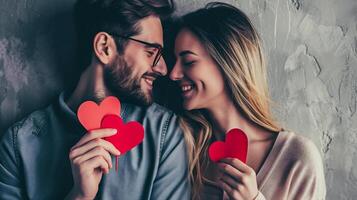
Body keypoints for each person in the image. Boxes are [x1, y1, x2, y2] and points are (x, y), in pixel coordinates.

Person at [0, 0, 190, 199]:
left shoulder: (163, 133)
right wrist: (79, 196)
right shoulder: (18, 145)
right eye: (151, 52)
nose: (163, 69)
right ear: (104, 47)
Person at [168, 2, 326, 200]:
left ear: (228, 62)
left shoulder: (297, 158)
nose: (173, 74)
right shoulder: (184, 151)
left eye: (189, 61)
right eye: (173, 61)